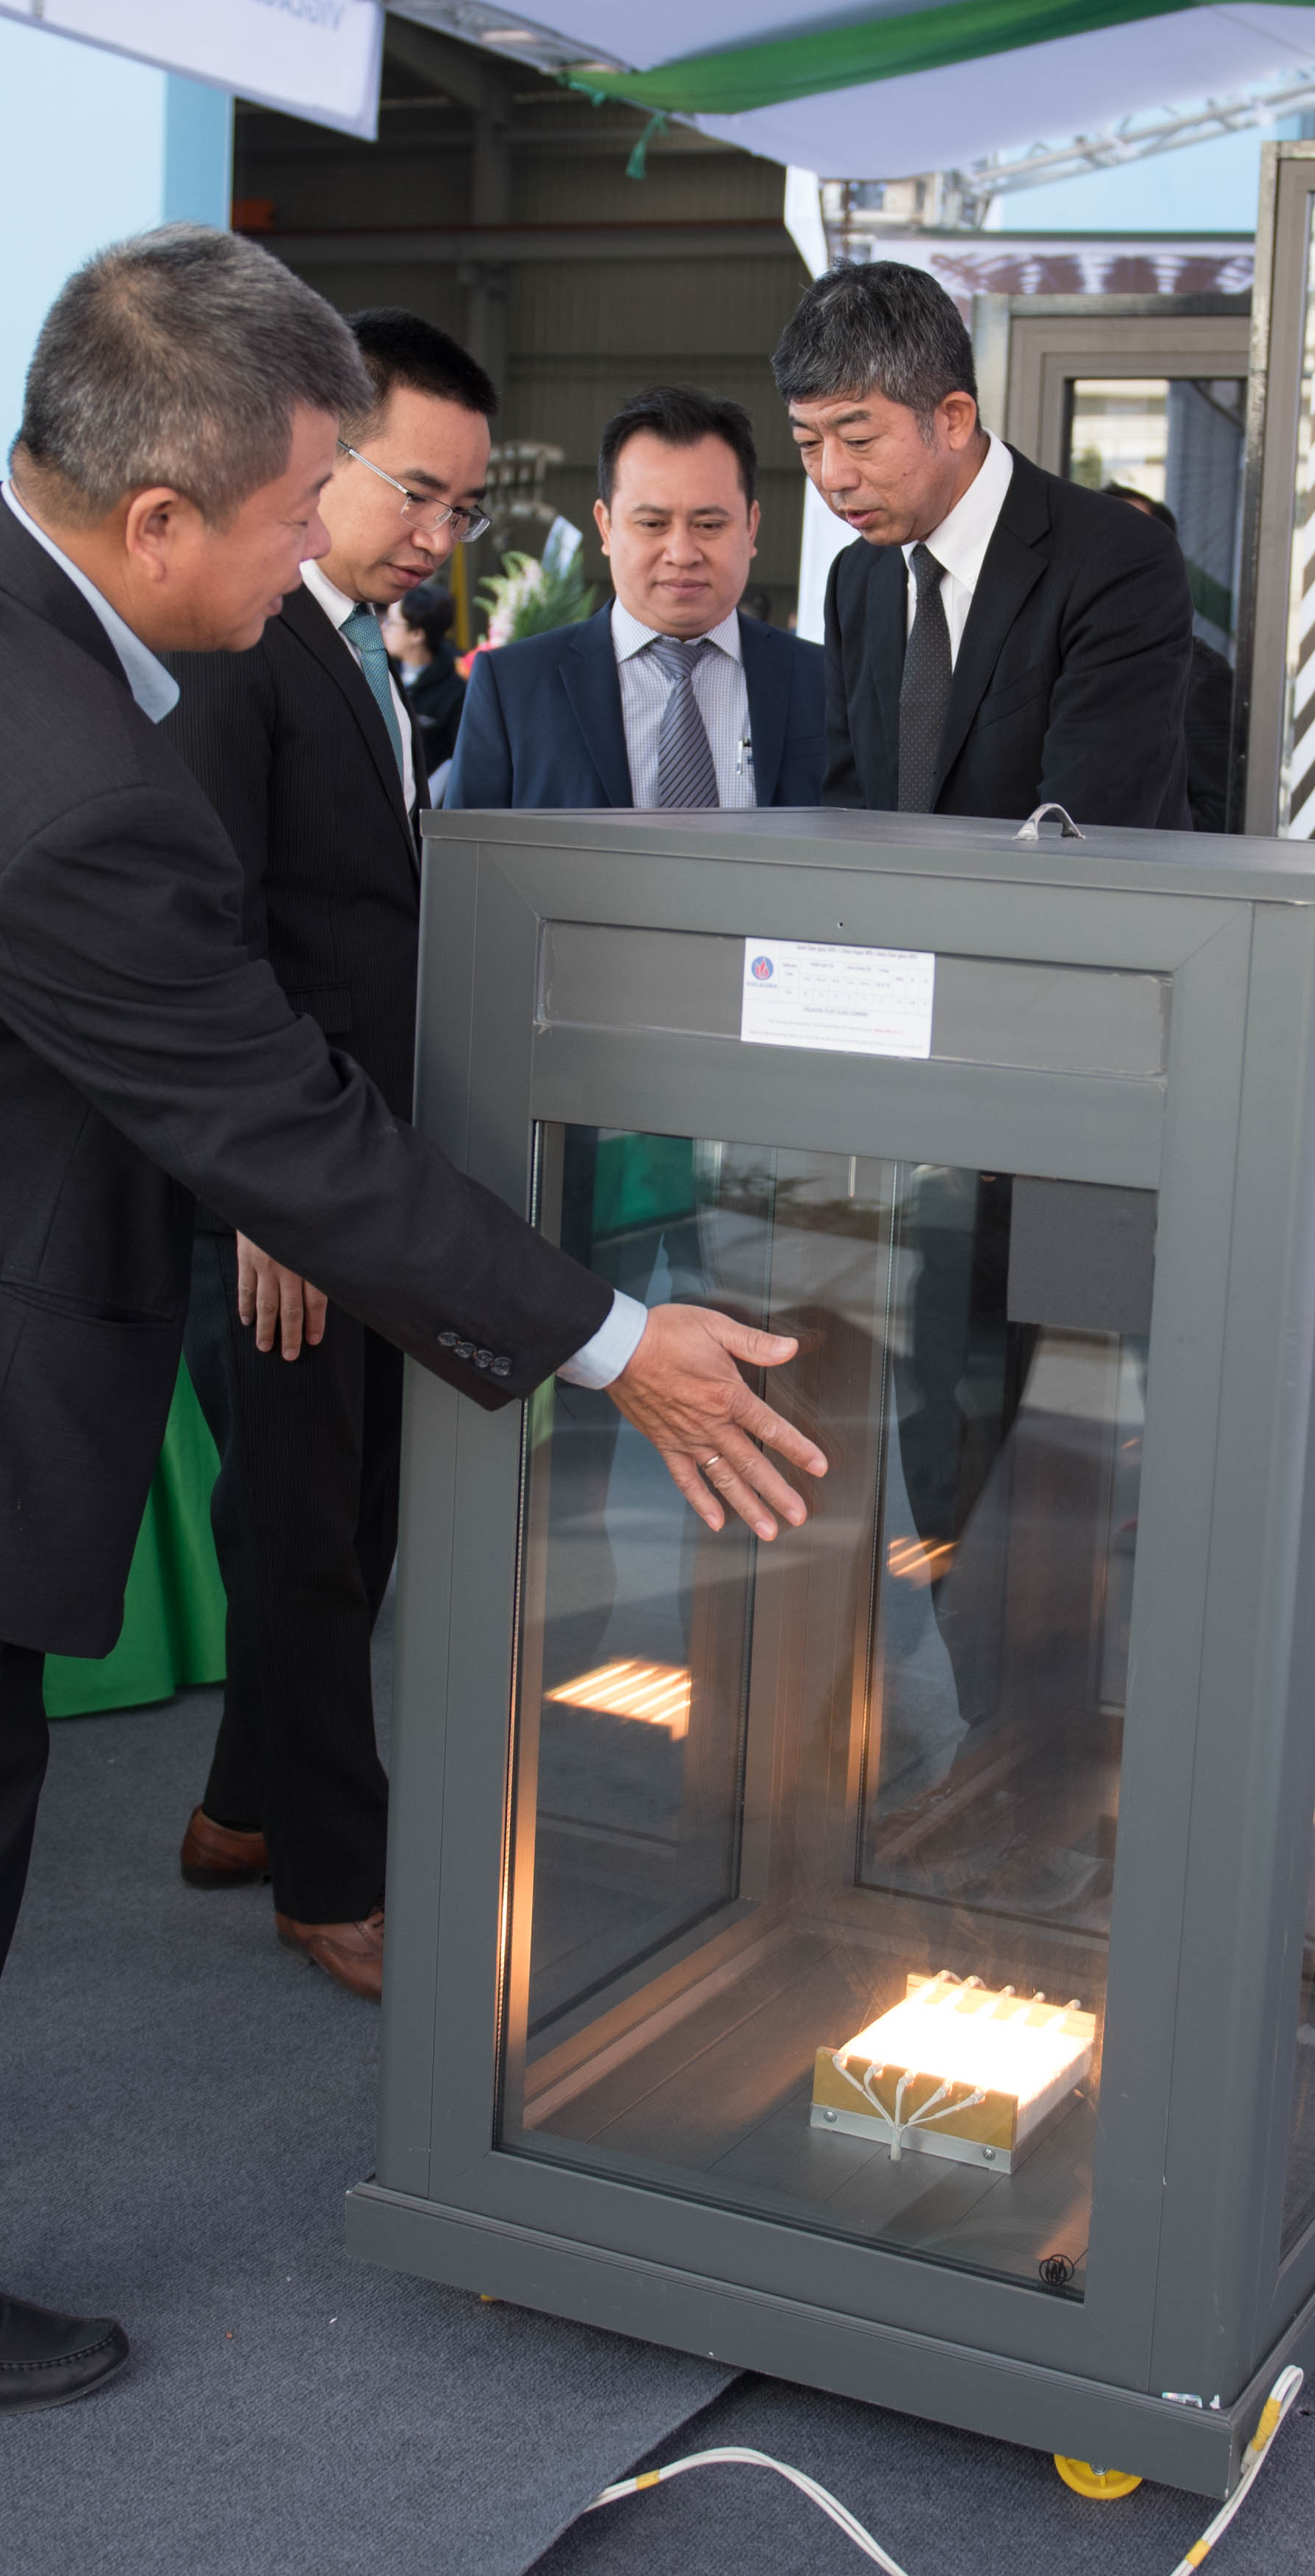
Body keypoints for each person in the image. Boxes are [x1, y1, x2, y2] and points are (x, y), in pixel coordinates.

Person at [0, 223, 824, 2420]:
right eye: (303, 512)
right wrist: (612, 1339)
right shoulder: (68, 798)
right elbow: (285, 1132)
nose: (329, 554)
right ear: (150, 518)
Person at [142, 306, 503, 2000]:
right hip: (280, 1184)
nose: (438, 533)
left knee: (350, 1502)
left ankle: (239, 1803)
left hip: (359, 1161)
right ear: (320, 450)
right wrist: (264, 1194)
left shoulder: (362, 645)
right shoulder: (240, 641)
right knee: (304, 1523)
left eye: (464, 507)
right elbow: (206, 944)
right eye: (415, 490)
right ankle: (329, 1876)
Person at [779, 261, 1190, 828]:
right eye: (808, 443)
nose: (832, 476)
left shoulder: (1115, 559)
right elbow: (849, 812)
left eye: (859, 440)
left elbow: (1088, 831)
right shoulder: (856, 575)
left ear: (953, 418)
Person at [451, 384, 826, 811]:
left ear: (751, 527)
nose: (682, 554)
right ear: (606, 527)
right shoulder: (513, 688)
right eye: (652, 524)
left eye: (708, 526)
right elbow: (469, 849)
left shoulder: (824, 683)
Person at [1101, 480, 1238, 836]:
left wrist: (1114, 834)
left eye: (1125, 544)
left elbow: (1220, 819)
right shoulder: (1061, 662)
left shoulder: (1200, 678)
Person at [382, 578, 466, 787]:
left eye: (392, 623)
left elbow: (458, 759)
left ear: (417, 634)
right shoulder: (381, 668)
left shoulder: (459, 682)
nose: (383, 627)